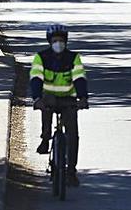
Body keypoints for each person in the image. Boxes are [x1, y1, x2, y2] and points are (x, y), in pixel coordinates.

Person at [31, 24, 88, 186]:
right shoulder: (41, 57)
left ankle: (71, 171)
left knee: (73, 135)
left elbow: (79, 79)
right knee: (46, 108)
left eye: (61, 40)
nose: (58, 43)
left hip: (68, 99)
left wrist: (83, 98)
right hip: (49, 98)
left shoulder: (73, 58)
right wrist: (36, 99)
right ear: (50, 42)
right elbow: (36, 79)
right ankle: (45, 138)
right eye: (55, 40)